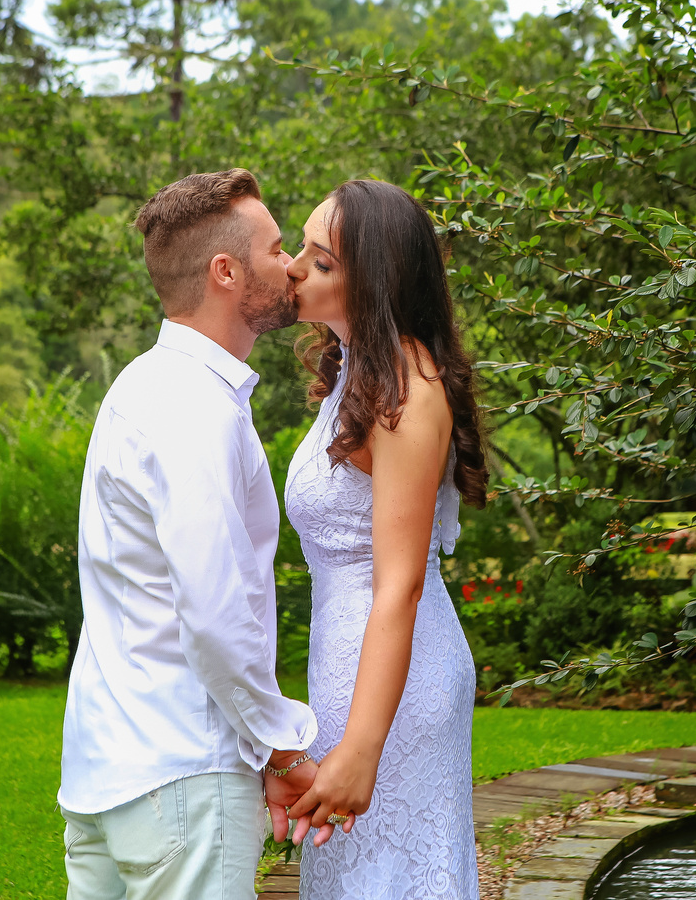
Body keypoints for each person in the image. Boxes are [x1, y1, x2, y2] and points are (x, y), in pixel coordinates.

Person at [57, 168, 345, 900]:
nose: (292, 265)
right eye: (275, 248)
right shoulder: (197, 408)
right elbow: (216, 613)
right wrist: (282, 750)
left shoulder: (139, 385)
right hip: (182, 772)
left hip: (104, 772)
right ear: (225, 271)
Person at [281, 179, 488, 899]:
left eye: (322, 262)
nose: (294, 269)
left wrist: (363, 746)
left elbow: (400, 582)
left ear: (374, 282)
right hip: (347, 670)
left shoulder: (408, 386)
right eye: (301, 248)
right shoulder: (358, 371)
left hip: (397, 688)